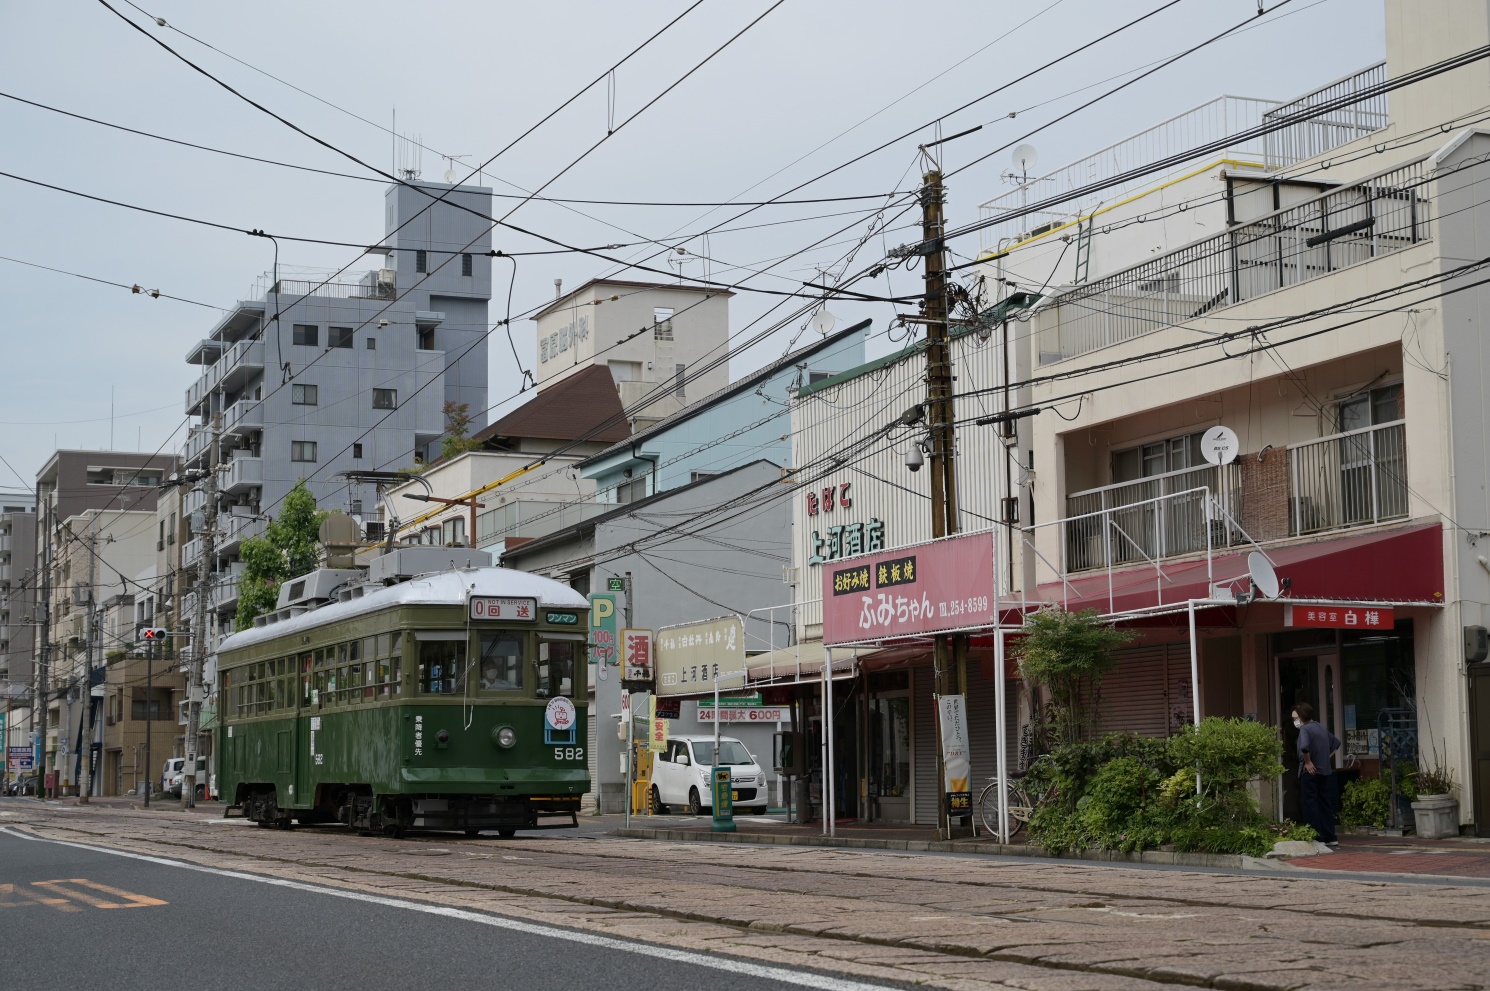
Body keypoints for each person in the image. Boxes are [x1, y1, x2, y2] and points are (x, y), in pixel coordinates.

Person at [1293, 702, 1341, 845]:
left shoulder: (1305, 729)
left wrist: (1308, 762)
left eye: (1295, 718)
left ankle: (1316, 836)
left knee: (1310, 804)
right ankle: (1330, 836)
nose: (1294, 721)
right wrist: (1325, 758)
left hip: (1311, 773)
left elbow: (1304, 747)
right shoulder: (1320, 727)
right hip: (1324, 772)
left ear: (1301, 716)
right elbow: (1336, 743)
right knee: (1324, 803)